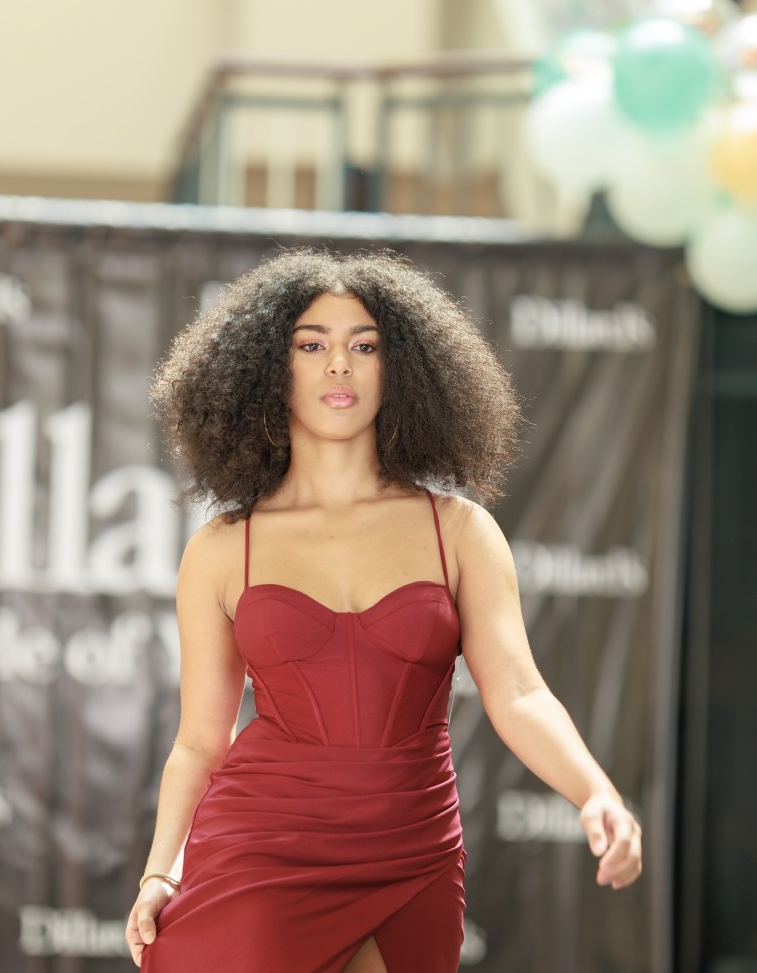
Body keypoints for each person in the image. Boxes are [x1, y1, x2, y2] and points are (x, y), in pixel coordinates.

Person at [125, 249, 642, 973]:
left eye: (364, 346)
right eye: (312, 345)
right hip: (264, 848)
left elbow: (520, 693)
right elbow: (200, 742)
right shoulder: (221, 548)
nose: (339, 363)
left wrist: (596, 793)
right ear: (269, 370)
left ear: (400, 371)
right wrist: (162, 868)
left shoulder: (459, 530)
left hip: (415, 850)